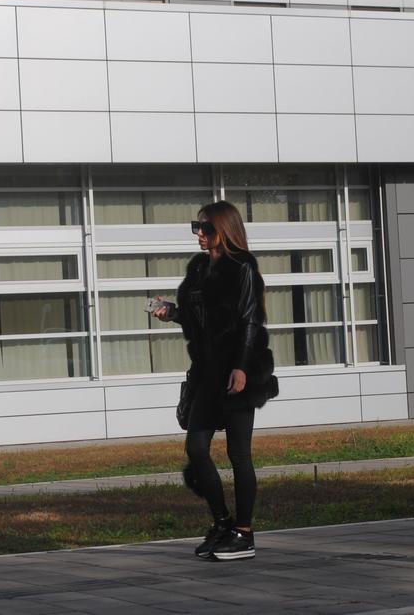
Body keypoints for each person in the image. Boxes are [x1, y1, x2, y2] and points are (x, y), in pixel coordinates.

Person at [154, 200, 277, 561]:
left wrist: (241, 367)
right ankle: (222, 523)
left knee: (239, 454)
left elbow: (251, 321)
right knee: (196, 448)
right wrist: (171, 312)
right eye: (197, 227)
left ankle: (244, 532)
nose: (200, 234)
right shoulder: (198, 270)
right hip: (206, 374)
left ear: (224, 229)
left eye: (206, 228)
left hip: (239, 370)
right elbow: (197, 319)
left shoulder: (243, 268)